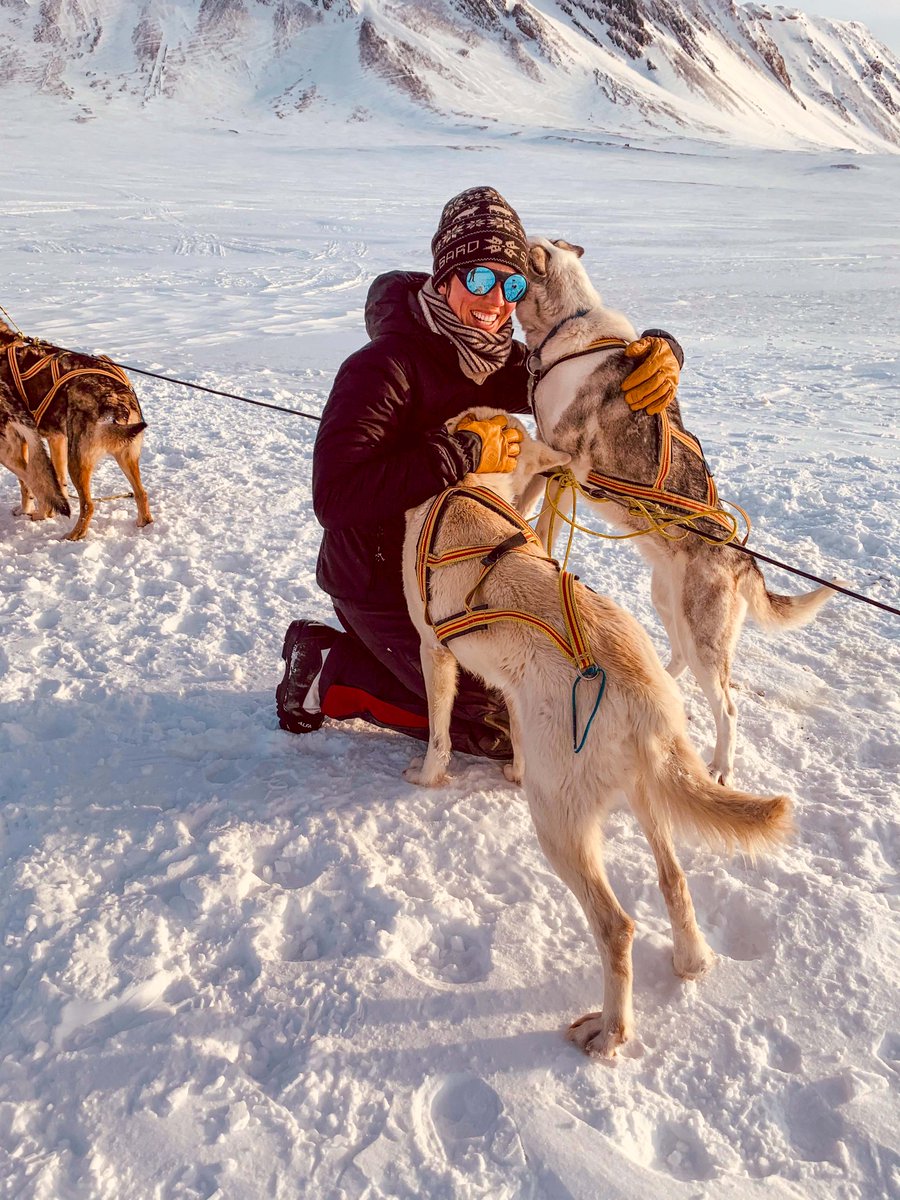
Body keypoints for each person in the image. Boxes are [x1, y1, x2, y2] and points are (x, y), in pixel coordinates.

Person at [276, 186, 682, 758]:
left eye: (511, 284)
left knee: (553, 683)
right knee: (499, 723)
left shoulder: (499, 361)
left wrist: (659, 350)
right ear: (444, 278)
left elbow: (583, 376)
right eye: (479, 279)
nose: (496, 301)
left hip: (473, 562)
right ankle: (328, 668)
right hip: (382, 582)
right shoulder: (381, 368)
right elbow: (335, 496)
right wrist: (457, 455)